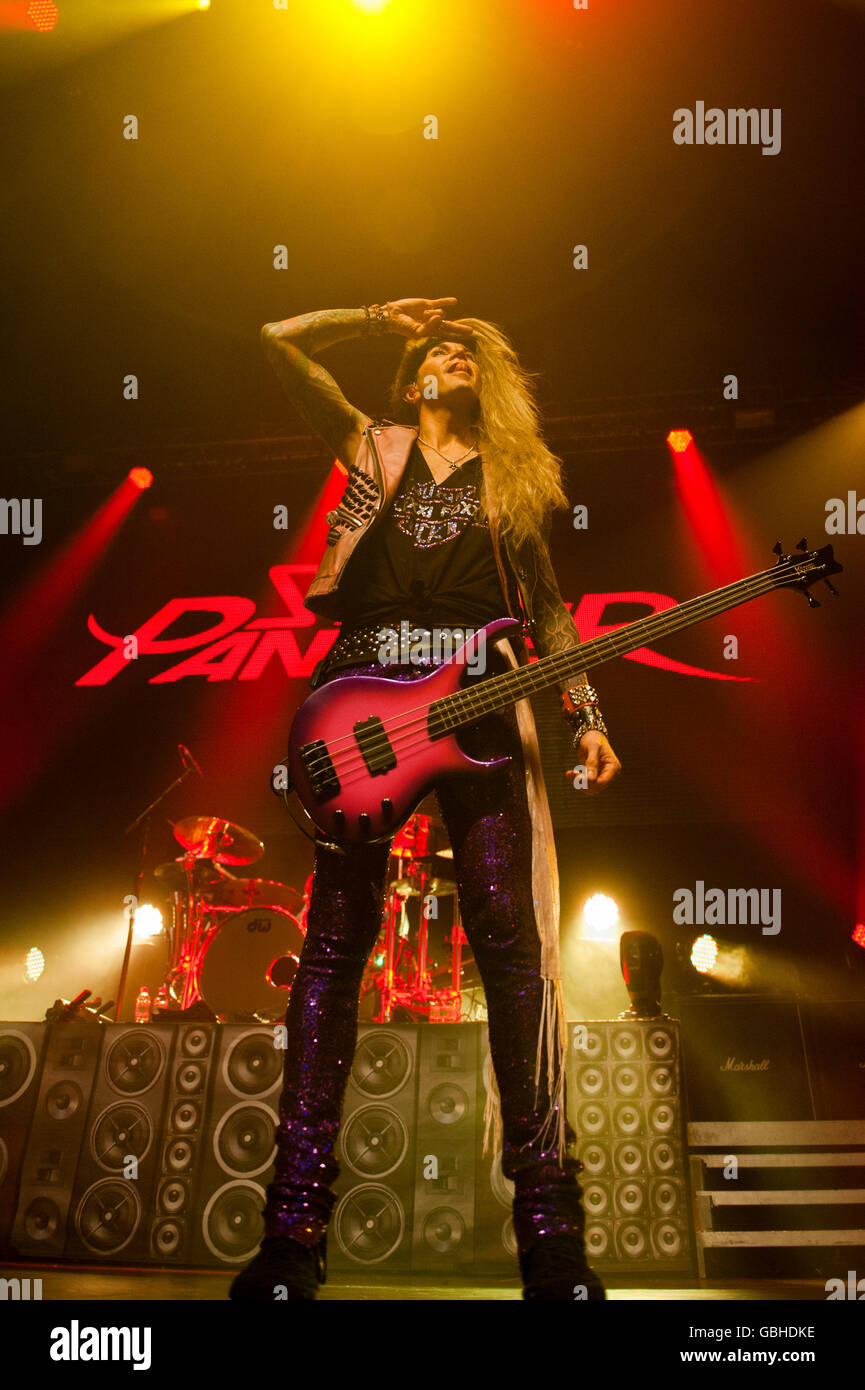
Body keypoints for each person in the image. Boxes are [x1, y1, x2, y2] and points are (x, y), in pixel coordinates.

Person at [229, 297, 622, 1301]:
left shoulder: (513, 482)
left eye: (465, 351)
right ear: (411, 379)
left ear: (483, 378)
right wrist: (371, 314)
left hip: (482, 699)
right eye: (434, 350)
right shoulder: (375, 443)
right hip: (361, 693)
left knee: (513, 952)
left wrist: (586, 712)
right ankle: (291, 1236)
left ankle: (550, 1237)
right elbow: (273, 342)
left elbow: (548, 614)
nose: (451, 355)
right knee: (332, 946)